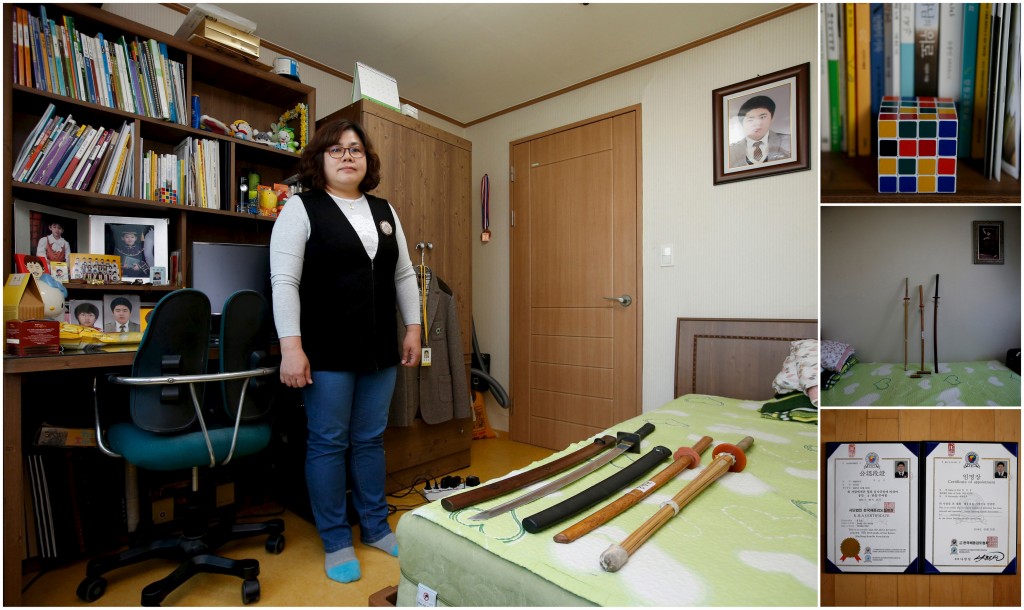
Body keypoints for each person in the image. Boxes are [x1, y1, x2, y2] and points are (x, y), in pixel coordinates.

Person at [270, 119, 421, 584]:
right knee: (329, 443)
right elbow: (284, 282)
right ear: (320, 160)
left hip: (379, 351)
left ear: (367, 160)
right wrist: (291, 348)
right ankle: (336, 538)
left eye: (355, 149)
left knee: (371, 439)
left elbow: (404, 276)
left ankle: (375, 526)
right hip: (327, 351)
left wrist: (414, 327)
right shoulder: (301, 209)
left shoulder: (384, 209)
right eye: (336, 150)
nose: (347, 156)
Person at [728, 95, 792, 168]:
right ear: (742, 123)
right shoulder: (731, 151)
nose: (757, 123)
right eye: (750, 119)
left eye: (762, 117)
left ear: (772, 118)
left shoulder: (789, 141)